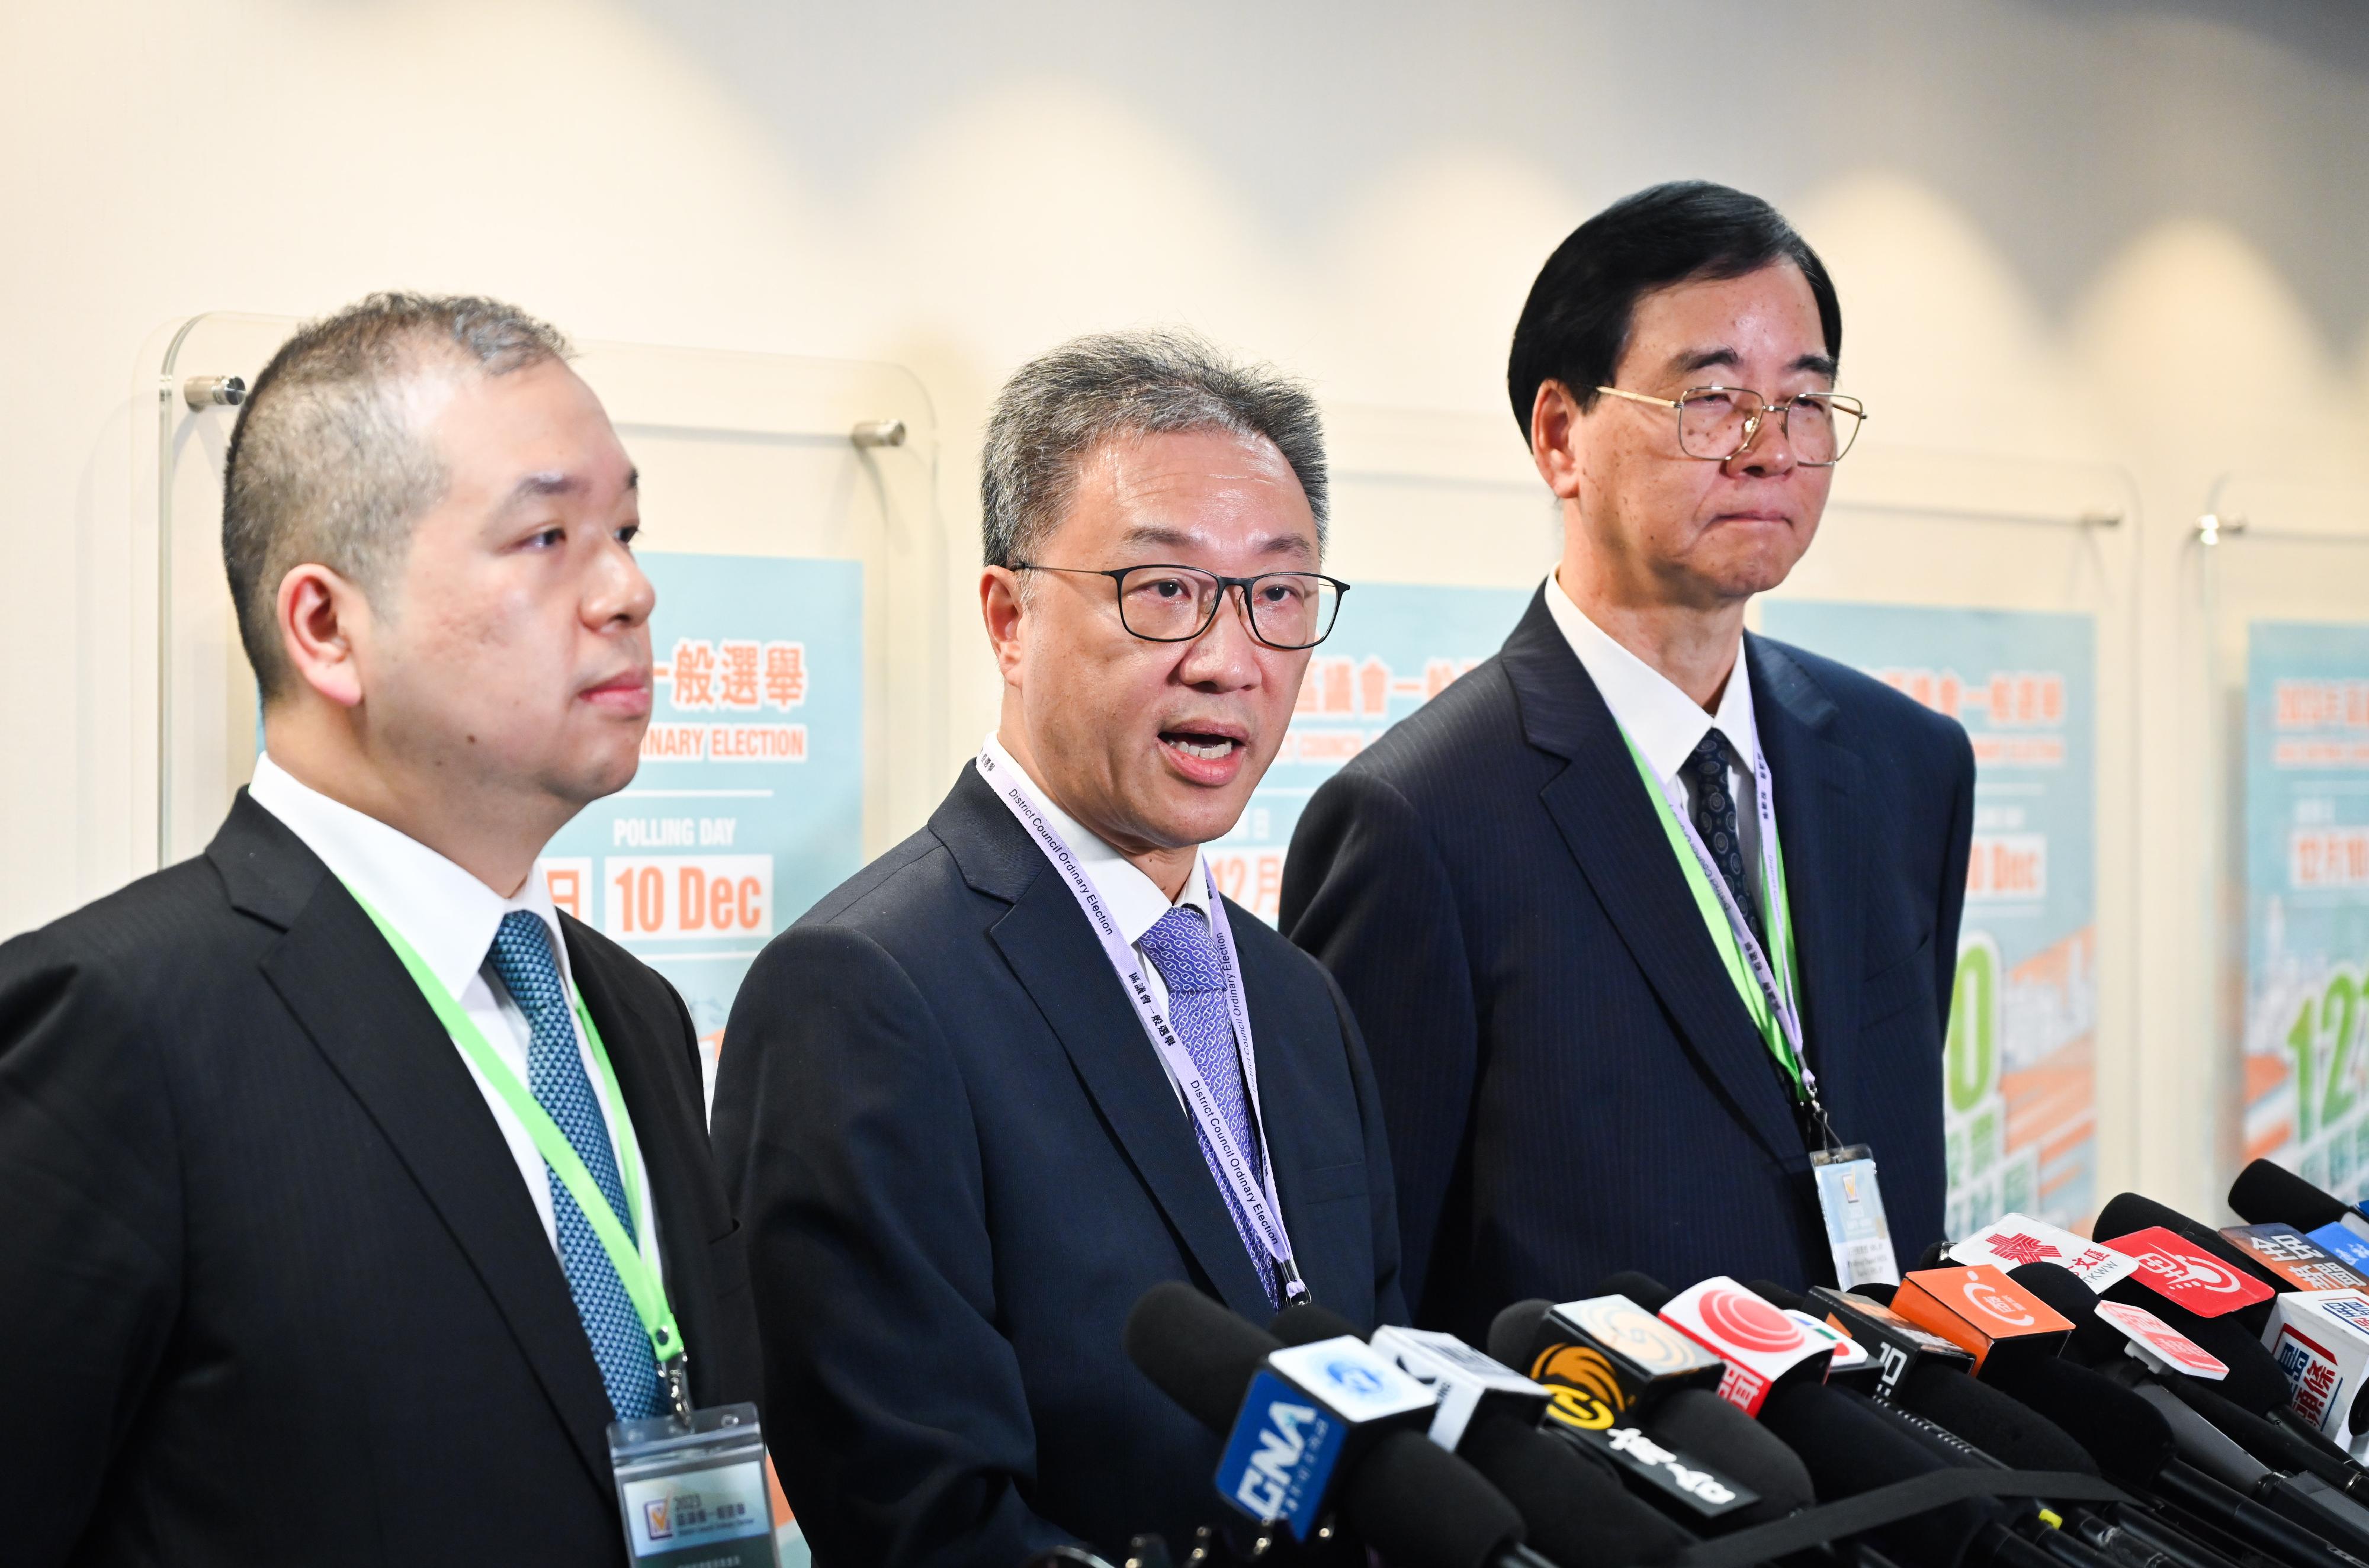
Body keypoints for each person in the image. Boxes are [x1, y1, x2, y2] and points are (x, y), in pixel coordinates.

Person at [0, 294, 763, 1566]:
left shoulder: (629, 1013)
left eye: (624, 528)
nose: (628, 589)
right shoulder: (113, 1028)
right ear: (325, 627)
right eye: (544, 537)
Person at [714, 331, 1403, 1566]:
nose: (1229, 659)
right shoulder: (863, 993)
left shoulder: (1297, 998)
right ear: (1008, 615)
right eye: (1163, 589)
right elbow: (912, 1515)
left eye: (1278, 594)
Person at [1282, 182, 1975, 1342]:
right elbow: (1368, 1279)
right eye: (1711, 401)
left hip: (1896, 1478)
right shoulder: (1420, 820)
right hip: (1611, 1498)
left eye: (1803, 403)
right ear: (1561, 435)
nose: (1768, 450)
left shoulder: (1906, 766)